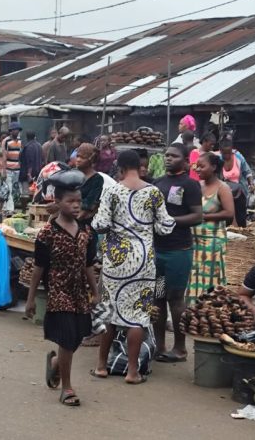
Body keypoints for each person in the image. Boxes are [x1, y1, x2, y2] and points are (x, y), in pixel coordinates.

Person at [91, 150, 175, 384]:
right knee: (138, 316)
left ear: (119, 167)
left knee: (110, 311)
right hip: (143, 260)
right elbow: (165, 227)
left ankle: (100, 366)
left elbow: (100, 224)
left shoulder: (111, 190)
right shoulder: (153, 192)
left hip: (115, 259)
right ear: (139, 166)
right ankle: (132, 372)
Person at [25, 169, 99, 407]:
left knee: (78, 337)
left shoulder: (86, 231)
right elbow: (38, 267)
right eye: (70, 201)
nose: (76, 206)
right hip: (58, 291)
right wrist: (30, 299)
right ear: (57, 203)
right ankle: (67, 387)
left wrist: (95, 291)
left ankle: (57, 364)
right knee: (67, 339)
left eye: (78, 201)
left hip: (79, 292)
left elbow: (88, 265)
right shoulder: (47, 233)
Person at [152, 144, 203, 363]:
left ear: (185, 161)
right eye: (167, 155)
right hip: (158, 252)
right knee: (158, 297)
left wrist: (170, 221)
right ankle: (159, 345)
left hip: (178, 252)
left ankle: (180, 348)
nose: (168, 159)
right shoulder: (157, 184)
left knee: (175, 298)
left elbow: (197, 216)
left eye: (174, 156)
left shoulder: (190, 185)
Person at [188, 152, 234, 302]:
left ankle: (211, 312)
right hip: (194, 242)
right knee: (194, 279)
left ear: (214, 167)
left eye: (202, 166)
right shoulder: (197, 186)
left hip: (212, 242)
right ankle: (194, 313)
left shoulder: (222, 188)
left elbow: (229, 213)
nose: (197, 169)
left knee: (210, 280)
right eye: (196, 166)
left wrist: (202, 217)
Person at [219, 139, 254, 226]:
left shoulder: (238, 157)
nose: (227, 155)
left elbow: (248, 172)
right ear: (220, 151)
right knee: (227, 218)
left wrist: (251, 184)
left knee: (241, 218)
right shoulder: (218, 160)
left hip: (240, 193)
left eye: (229, 153)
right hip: (224, 194)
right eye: (224, 153)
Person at [75, 143, 104, 230]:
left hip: (84, 224)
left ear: (91, 160)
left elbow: (88, 204)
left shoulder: (97, 179)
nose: (78, 160)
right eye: (78, 156)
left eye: (82, 158)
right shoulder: (73, 174)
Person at [2, 122, 23, 211]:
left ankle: (8, 206)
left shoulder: (20, 141)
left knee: (15, 189)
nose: (17, 132)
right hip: (8, 169)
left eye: (18, 130)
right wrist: (3, 171)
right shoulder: (6, 141)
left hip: (17, 169)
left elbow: (20, 155)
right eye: (15, 130)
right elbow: (4, 156)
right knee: (9, 189)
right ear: (11, 131)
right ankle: (10, 209)